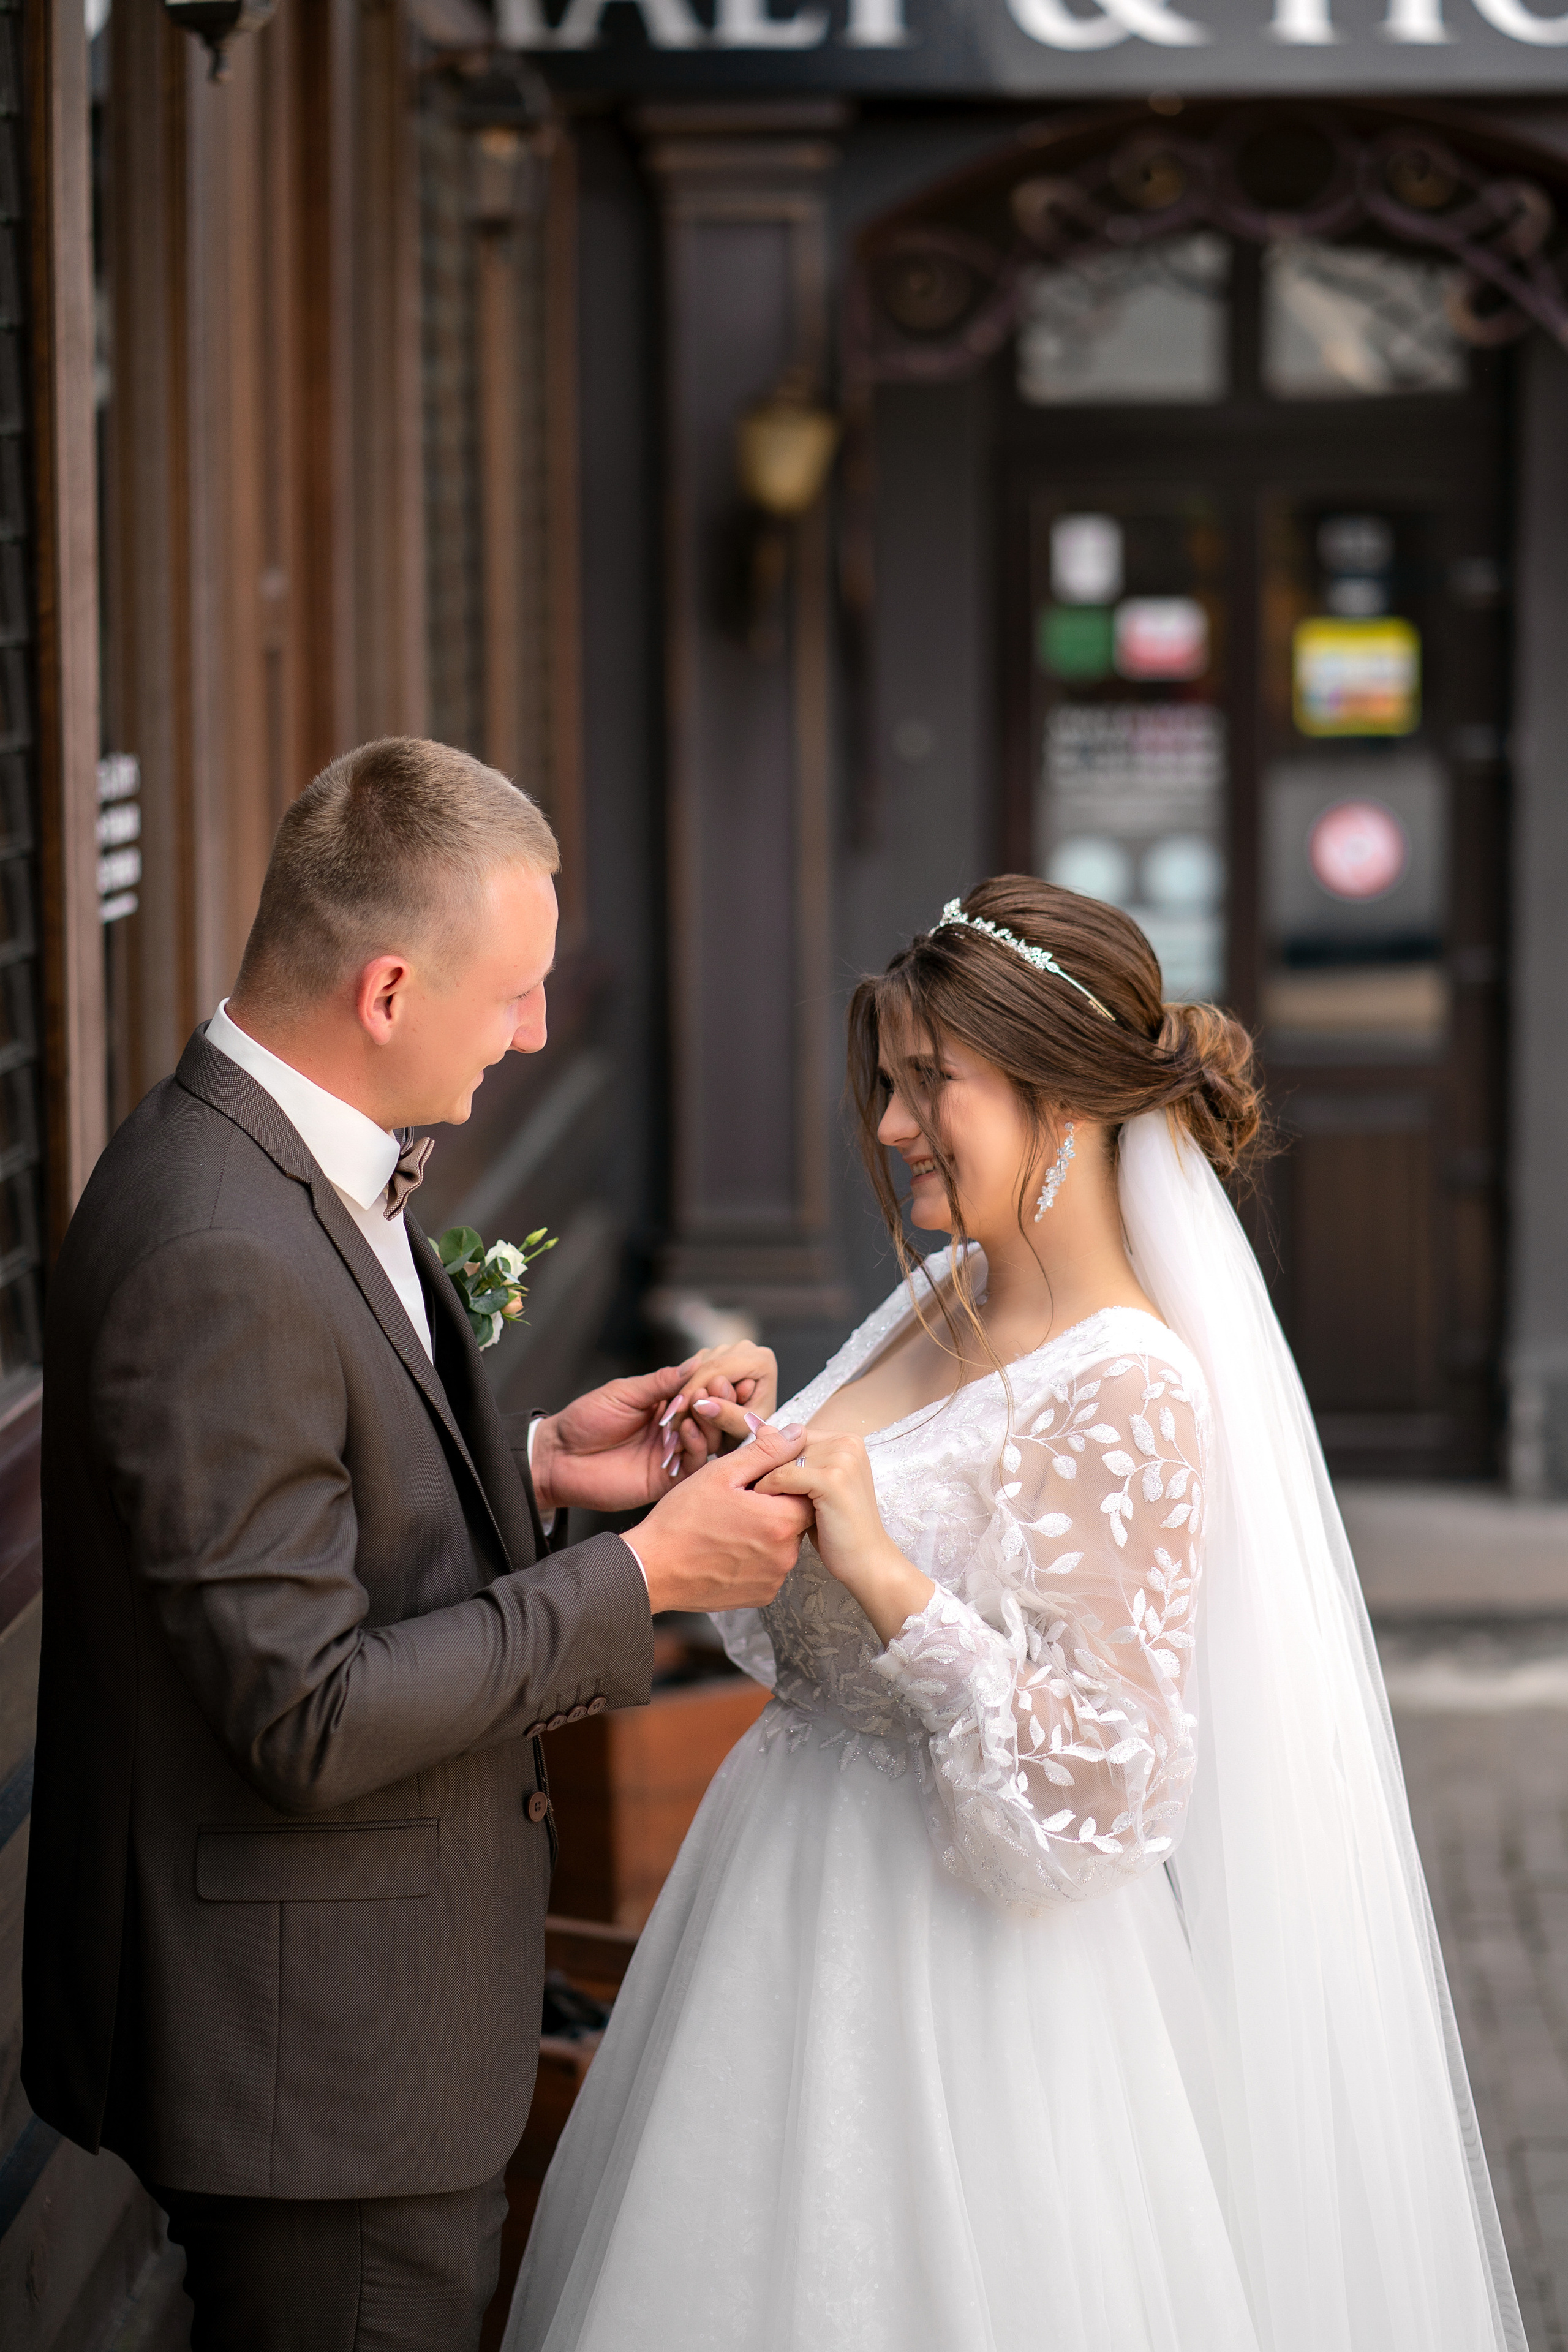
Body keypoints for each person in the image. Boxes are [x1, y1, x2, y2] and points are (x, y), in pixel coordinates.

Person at [507, 876, 1525, 2352]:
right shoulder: (944, 1295)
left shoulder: (1133, 1387)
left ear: (1063, 1098)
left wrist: (887, 1578)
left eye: (933, 1084)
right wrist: (735, 1471)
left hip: (961, 1986)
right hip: (772, 1908)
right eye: (891, 1080)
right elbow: (784, 1631)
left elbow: (1108, 1789)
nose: (892, 1125)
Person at [21, 737, 812, 2352]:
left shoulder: (280, 1163)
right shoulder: (213, 1248)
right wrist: (647, 1578)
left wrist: (531, 1464)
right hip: (323, 2082)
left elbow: (287, 1513)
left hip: (345, 2032)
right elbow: (305, 1714)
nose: (535, 1027)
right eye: (513, 991)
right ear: (388, 991)